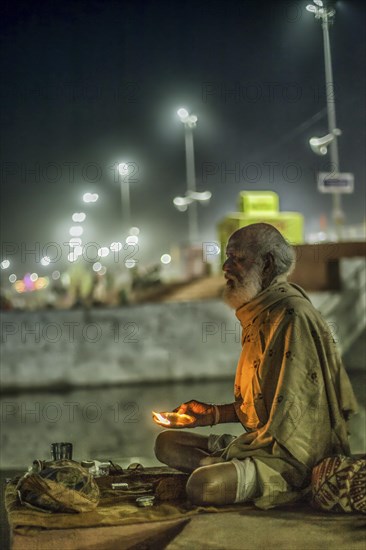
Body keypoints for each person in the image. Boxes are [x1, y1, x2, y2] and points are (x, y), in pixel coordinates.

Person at [154, 223, 358, 509]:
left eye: (237, 258)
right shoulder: (260, 311)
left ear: (267, 265)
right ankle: (221, 464)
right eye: (227, 257)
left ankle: (222, 470)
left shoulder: (292, 316)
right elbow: (265, 405)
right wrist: (210, 414)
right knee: (166, 443)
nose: (225, 267)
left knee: (203, 486)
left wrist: (249, 455)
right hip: (258, 443)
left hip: (292, 459)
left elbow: (301, 426)